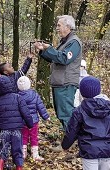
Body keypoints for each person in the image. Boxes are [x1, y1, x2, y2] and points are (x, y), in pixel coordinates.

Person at [34, 15, 82, 151]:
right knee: (62, 113)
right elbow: (55, 58)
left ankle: (72, 144)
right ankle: (68, 141)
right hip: (59, 82)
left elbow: (64, 58)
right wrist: (44, 50)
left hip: (66, 83)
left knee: (66, 113)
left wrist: (49, 48)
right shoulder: (65, 42)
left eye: (59, 25)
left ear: (68, 26)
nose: (57, 28)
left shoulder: (74, 42)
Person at [61, 76, 110, 170]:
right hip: (107, 150)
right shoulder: (109, 109)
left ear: (82, 92)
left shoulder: (79, 111)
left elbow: (72, 130)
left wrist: (65, 145)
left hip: (89, 151)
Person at [0, 75, 33, 170]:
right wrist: (30, 124)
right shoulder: (18, 98)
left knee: (2, 148)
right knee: (17, 149)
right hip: (17, 129)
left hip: (3, 130)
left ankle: (0, 165)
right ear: (10, 85)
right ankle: (19, 167)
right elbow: (26, 113)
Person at [17, 76, 50, 161]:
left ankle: (23, 154)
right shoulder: (34, 95)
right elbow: (40, 107)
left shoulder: (17, 96)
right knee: (34, 137)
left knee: (23, 137)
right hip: (33, 121)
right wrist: (46, 117)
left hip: (22, 121)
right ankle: (35, 155)